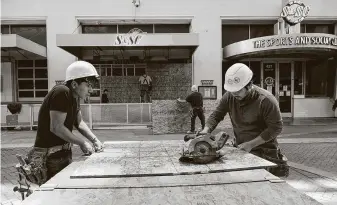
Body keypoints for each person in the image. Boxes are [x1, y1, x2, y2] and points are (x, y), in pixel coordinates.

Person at [21, 61, 104, 185]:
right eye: (88, 85)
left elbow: (79, 122)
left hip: (62, 153)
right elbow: (56, 127)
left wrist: (94, 140)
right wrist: (82, 142)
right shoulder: (62, 92)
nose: (91, 90)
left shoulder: (75, 98)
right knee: (55, 194)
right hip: (50, 156)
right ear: (75, 84)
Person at [199, 63, 289, 177]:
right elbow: (216, 115)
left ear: (249, 85)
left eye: (238, 90)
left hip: (265, 153)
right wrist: (206, 130)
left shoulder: (266, 100)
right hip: (242, 149)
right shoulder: (229, 96)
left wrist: (251, 144)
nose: (234, 93)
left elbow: (276, 128)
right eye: (232, 90)